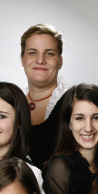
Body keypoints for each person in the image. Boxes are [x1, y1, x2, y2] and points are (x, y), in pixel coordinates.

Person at [21, 23, 68, 168]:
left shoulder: (72, 104)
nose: (40, 60)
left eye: (49, 53)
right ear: (22, 59)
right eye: (32, 53)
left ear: (60, 61)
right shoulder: (12, 103)